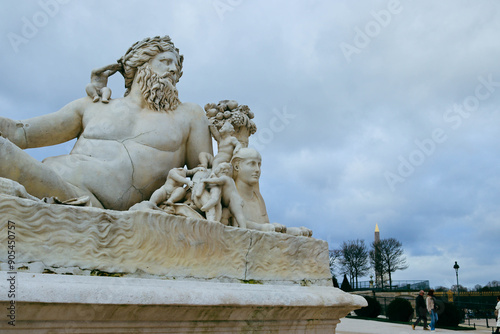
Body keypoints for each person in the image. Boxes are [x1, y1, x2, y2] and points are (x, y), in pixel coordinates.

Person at [0, 36, 212, 211]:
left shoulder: (189, 115)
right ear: (140, 65)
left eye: (177, 65)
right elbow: (21, 134)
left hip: (90, 204)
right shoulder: (94, 105)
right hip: (47, 177)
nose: (174, 69)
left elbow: (205, 177)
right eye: (166, 61)